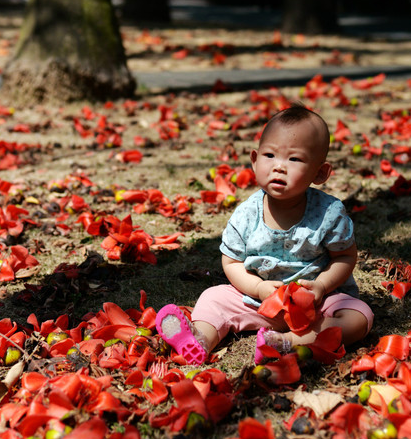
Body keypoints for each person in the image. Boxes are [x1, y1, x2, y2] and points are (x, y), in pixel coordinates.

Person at [155, 103, 373, 365]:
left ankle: (287, 344)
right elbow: (232, 262)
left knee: (359, 316)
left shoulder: (329, 213)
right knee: (213, 298)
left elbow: (345, 257)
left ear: (320, 173)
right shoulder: (246, 214)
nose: (279, 167)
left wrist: (322, 286)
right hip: (257, 301)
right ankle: (200, 339)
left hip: (317, 305)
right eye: (270, 155)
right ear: (255, 160)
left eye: (294, 159)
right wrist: (257, 288)